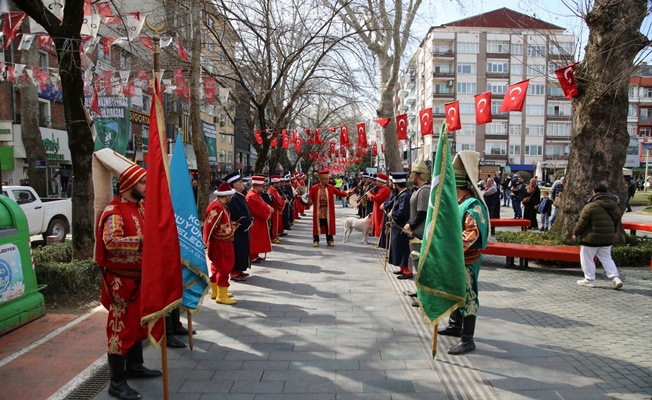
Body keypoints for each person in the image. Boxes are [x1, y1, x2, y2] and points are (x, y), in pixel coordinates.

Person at [92, 149, 162, 400]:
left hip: (140, 278)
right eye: (142, 181)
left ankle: (135, 366)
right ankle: (116, 382)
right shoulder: (115, 211)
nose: (146, 185)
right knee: (120, 329)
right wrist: (146, 240)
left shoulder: (140, 207)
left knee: (137, 324)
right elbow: (111, 242)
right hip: (122, 282)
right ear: (130, 184)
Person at [438, 150, 490, 355]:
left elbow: (472, 234)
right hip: (455, 258)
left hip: (466, 259)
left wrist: (449, 246)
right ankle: (455, 325)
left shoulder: (472, 205)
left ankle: (468, 339)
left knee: (468, 296)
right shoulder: (458, 203)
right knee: (455, 292)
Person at [573, 184, 623, 290]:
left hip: (591, 238)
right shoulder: (614, 206)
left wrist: (576, 233)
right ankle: (615, 277)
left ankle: (589, 279)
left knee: (587, 258)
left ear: (595, 192)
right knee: (606, 258)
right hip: (607, 238)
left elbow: (582, 223)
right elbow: (617, 222)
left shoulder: (590, 206)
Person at [204, 182, 238, 305]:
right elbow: (210, 226)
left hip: (220, 241)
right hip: (221, 243)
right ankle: (221, 295)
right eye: (230, 195)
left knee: (217, 267)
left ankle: (216, 291)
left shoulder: (218, 206)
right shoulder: (217, 208)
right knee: (224, 267)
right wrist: (206, 241)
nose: (231, 197)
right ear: (227, 195)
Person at [403, 161, 431, 298]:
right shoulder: (418, 190)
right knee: (416, 261)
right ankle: (419, 290)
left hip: (420, 233)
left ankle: (423, 294)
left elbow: (422, 213)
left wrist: (411, 225)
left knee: (420, 263)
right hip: (415, 232)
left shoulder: (425, 190)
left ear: (418, 175)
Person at [307, 170, 349, 247]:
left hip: (328, 211)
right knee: (317, 225)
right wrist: (309, 201)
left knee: (328, 225)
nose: (328, 180)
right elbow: (310, 197)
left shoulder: (330, 187)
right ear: (322, 180)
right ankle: (316, 240)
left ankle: (330, 239)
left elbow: (339, 193)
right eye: (326, 179)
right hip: (318, 211)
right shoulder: (314, 188)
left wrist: (348, 193)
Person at [224, 172, 253, 282]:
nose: (243, 184)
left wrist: (251, 219)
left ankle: (240, 269)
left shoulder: (239, 196)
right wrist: (247, 222)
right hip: (237, 229)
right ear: (234, 185)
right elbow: (237, 214)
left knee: (243, 249)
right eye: (240, 182)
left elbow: (246, 211)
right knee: (238, 250)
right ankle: (235, 272)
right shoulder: (234, 198)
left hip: (243, 229)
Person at [388, 172, 412, 279]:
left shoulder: (405, 196)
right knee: (398, 247)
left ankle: (407, 270)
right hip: (397, 226)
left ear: (396, 185)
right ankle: (402, 268)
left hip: (402, 226)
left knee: (403, 248)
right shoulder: (402, 195)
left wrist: (392, 214)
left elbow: (402, 212)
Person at [245, 176, 273, 263]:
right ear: (257, 186)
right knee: (255, 239)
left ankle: (255, 255)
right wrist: (269, 209)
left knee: (258, 239)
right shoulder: (252, 196)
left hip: (258, 221)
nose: (263, 188)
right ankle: (252, 256)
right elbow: (261, 208)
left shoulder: (256, 195)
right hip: (256, 221)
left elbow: (263, 204)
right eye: (262, 186)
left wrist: (267, 207)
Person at [367, 173, 391, 238]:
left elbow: (378, 198)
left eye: (377, 181)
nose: (376, 183)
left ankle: (379, 236)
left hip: (380, 209)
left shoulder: (385, 189)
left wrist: (370, 195)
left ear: (381, 182)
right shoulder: (381, 188)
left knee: (379, 222)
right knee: (376, 222)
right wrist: (373, 194)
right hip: (377, 208)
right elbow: (377, 196)